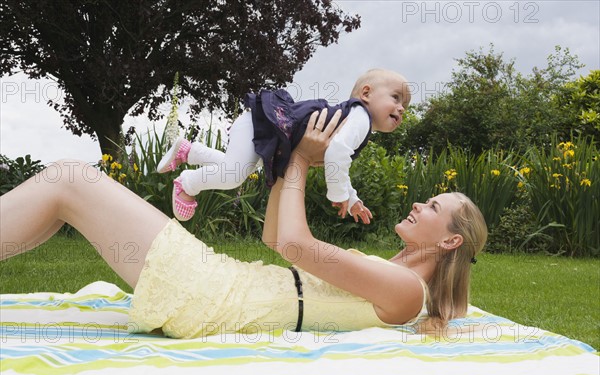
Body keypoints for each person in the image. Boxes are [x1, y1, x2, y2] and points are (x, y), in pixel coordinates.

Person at [0, 109, 487, 338]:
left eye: (432, 206)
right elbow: (275, 237)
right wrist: (286, 159)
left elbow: (295, 244)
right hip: (219, 285)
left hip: (210, 296)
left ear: (450, 239)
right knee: (66, 195)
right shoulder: (396, 278)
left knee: (70, 179)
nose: (419, 205)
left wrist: (299, 162)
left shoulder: (406, 291)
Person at [158, 68, 411, 223]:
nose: (401, 108)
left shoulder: (357, 119)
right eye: (396, 98)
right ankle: (187, 182)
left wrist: (352, 197)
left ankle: (189, 151)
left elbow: (339, 157)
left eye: (405, 106)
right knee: (234, 175)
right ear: (366, 93)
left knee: (238, 168)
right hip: (265, 124)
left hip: (264, 125)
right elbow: (337, 153)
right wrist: (340, 195)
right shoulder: (361, 118)